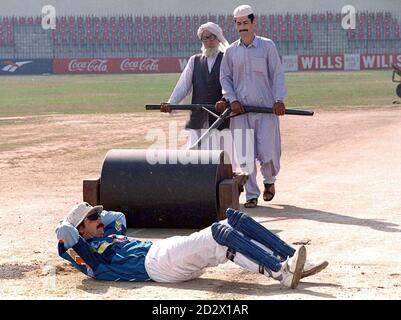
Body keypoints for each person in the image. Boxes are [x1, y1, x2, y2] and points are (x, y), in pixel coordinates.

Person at [55, 202, 328, 289]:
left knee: (234, 220)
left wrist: (93, 221)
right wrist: (70, 233)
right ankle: (280, 272)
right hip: (157, 264)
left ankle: (292, 260)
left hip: (165, 253)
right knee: (220, 233)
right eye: (92, 218)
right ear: (80, 230)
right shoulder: (89, 257)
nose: (100, 219)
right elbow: (66, 242)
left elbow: (118, 217)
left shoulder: (106, 235)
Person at [216, 5, 287, 208]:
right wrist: (232, 99)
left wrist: (279, 100)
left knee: (269, 153)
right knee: (245, 155)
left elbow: (277, 75)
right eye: (239, 24)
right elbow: (225, 78)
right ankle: (251, 195)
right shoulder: (230, 52)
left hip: (265, 110)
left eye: (245, 23)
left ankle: (269, 181)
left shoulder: (267, 46)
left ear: (254, 22)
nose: (242, 27)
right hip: (240, 112)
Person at [160, 22, 231, 149]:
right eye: (205, 38)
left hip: (221, 117)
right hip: (198, 116)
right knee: (196, 155)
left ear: (218, 38)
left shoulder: (227, 59)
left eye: (212, 37)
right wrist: (172, 103)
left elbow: (232, 85)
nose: (208, 41)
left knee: (221, 155)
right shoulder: (194, 60)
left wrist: (225, 100)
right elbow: (183, 85)